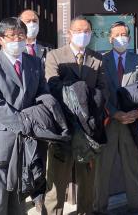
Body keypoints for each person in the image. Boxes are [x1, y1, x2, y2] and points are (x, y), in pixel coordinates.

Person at [0, 17, 49, 215]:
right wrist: (24, 123)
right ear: (0, 39)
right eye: (11, 36)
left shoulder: (34, 62)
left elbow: (43, 92)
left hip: (26, 141)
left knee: (19, 197)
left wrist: (41, 114)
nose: (17, 40)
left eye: (21, 35)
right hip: (0, 139)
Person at [44, 15, 107, 215]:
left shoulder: (98, 58)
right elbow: (52, 86)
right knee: (56, 182)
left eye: (87, 31)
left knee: (87, 182)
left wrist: (88, 98)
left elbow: (103, 90)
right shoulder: (55, 56)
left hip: (89, 130)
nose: (83, 35)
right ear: (69, 34)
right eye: (79, 31)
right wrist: (82, 92)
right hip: (63, 128)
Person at [94, 21, 138, 215]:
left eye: (124, 34)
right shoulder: (101, 61)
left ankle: (136, 207)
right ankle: (99, 209)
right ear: (110, 38)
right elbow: (99, 91)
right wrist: (115, 113)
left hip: (132, 123)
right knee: (102, 170)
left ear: (130, 38)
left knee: (132, 169)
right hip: (109, 122)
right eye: (117, 35)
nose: (121, 38)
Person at [19, 8, 54, 211]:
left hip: (42, 114)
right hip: (21, 114)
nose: (32, 24)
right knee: (21, 158)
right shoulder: (13, 49)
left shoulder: (47, 50)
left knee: (40, 158)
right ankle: (21, 197)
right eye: (27, 20)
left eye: (35, 20)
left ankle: (39, 197)